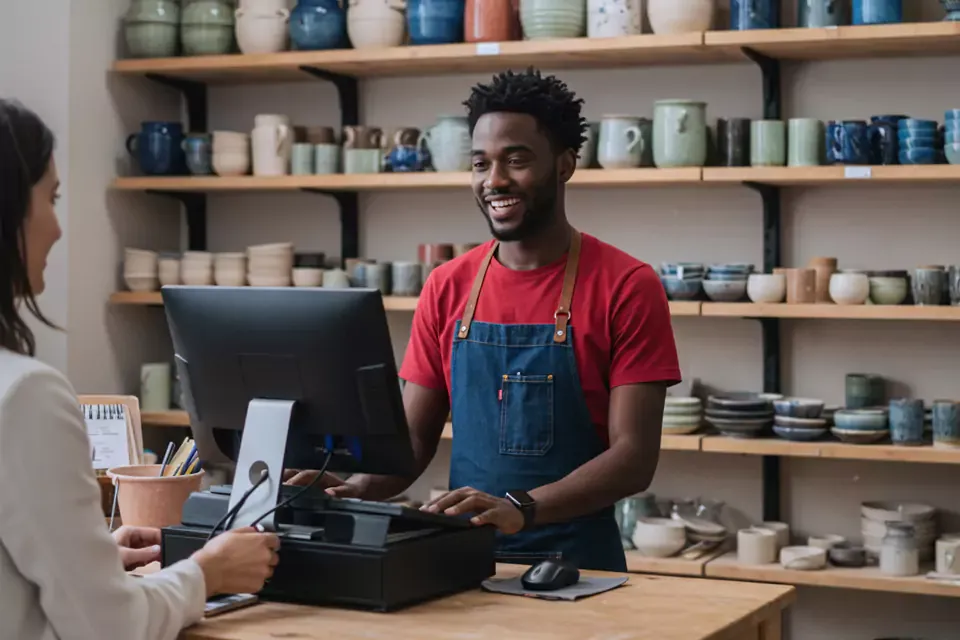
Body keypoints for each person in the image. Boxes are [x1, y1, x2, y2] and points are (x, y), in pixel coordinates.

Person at [286, 68, 681, 572]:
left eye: (516, 160)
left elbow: (634, 458)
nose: (494, 180)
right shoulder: (447, 286)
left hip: (580, 567)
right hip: (464, 560)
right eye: (480, 163)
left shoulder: (627, 285)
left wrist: (520, 509)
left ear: (564, 165)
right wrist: (350, 484)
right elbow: (411, 442)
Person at [0, 99, 280, 639]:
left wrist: (92, 557)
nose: (58, 229)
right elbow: (107, 626)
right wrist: (208, 571)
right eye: (51, 199)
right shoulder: (26, 395)